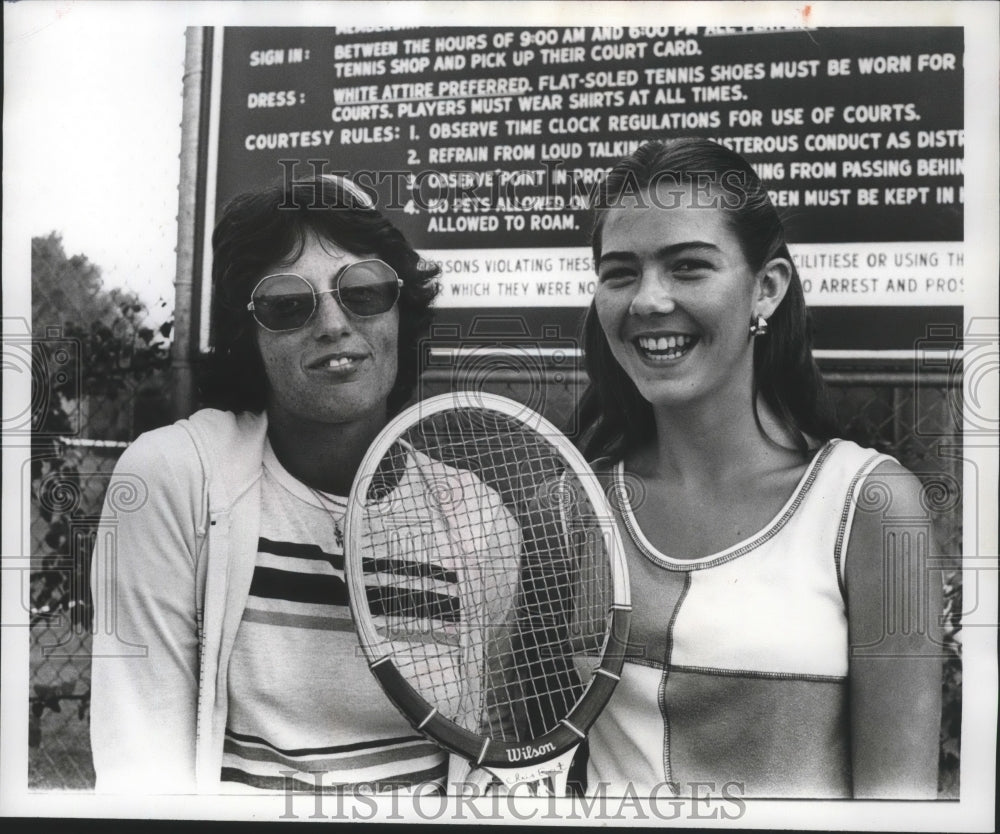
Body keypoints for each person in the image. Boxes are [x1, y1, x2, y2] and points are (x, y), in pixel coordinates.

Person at [89, 174, 518, 794]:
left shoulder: (479, 521)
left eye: (365, 290)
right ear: (248, 337)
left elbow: (477, 761)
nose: (333, 323)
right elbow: (142, 768)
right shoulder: (174, 481)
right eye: (287, 304)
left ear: (402, 311)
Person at [576, 138, 942, 799]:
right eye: (620, 272)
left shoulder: (873, 505)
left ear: (766, 289)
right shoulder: (569, 507)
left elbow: (899, 805)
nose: (648, 301)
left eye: (688, 267)